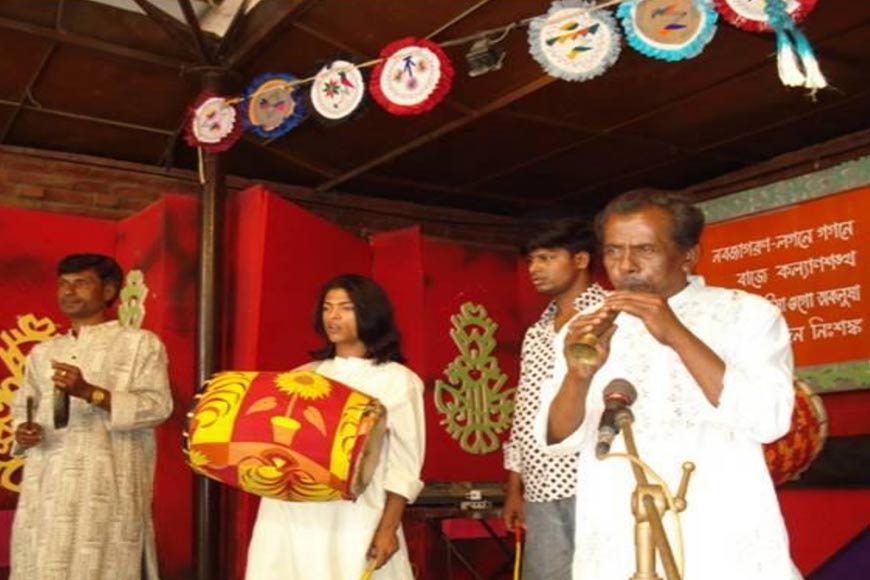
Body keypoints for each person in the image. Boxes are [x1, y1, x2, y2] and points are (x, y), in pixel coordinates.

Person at [541, 190, 801, 580]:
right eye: (613, 251)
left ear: (688, 256)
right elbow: (557, 438)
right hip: (616, 526)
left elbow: (769, 420)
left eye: (645, 250)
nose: (626, 265)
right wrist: (579, 376)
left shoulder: (746, 313)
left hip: (720, 530)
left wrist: (676, 334)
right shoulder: (585, 328)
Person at [245, 274, 426, 580]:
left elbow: (404, 467)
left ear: (370, 313)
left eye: (345, 308)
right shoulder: (303, 376)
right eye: (327, 308)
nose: (333, 316)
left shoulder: (398, 380)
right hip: (289, 512)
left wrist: (387, 529)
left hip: (355, 515)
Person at [11, 253, 173, 580]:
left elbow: (158, 406)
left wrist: (90, 393)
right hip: (47, 487)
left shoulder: (139, 344)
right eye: (63, 284)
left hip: (106, 487)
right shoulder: (43, 353)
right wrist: (24, 432)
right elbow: (22, 408)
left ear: (109, 291)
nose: (68, 292)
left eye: (81, 283)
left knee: (104, 564)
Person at [501, 221, 605, 579]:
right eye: (531, 260)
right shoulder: (537, 331)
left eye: (546, 258)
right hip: (541, 484)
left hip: (596, 479)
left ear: (580, 260)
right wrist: (515, 488)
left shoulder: (610, 316)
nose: (534, 269)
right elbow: (524, 411)